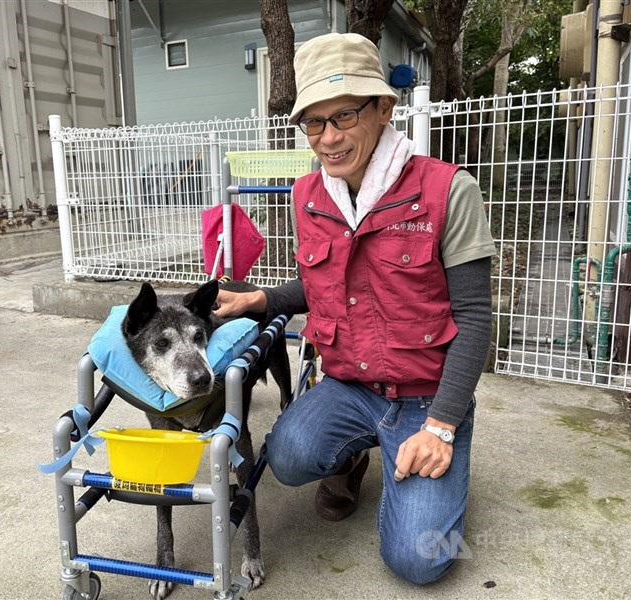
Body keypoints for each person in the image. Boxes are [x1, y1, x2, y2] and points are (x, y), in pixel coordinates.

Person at [213, 32, 496, 585]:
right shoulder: (307, 196)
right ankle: (361, 456)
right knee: (287, 458)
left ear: (384, 108)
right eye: (313, 123)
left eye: (343, 116)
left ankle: (441, 463)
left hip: (427, 396)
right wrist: (265, 298)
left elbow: (477, 317)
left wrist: (440, 424)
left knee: (426, 560)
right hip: (349, 385)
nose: (329, 138)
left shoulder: (448, 190)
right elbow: (327, 283)